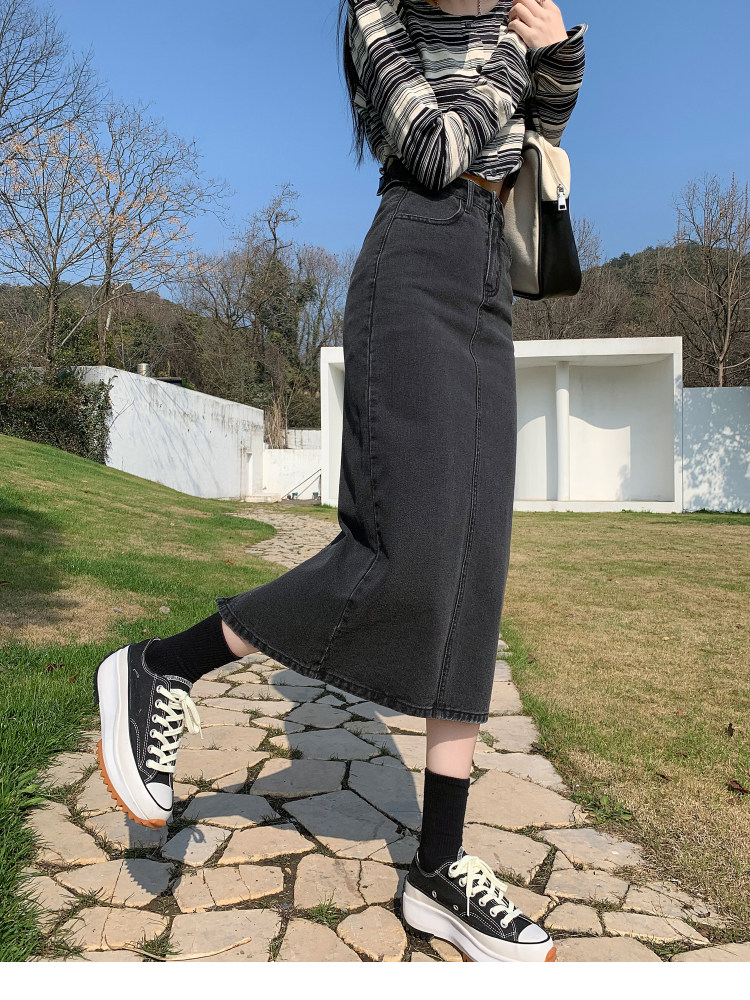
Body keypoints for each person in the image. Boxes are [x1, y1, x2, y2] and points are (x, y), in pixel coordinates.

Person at [93, 0, 587, 962]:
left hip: (489, 276)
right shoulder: (377, 14)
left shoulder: (512, 16)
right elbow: (437, 149)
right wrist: (517, 55)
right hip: (415, 267)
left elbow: (533, 138)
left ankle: (439, 866)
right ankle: (162, 666)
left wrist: (557, 60)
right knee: (405, 552)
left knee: (474, 573)